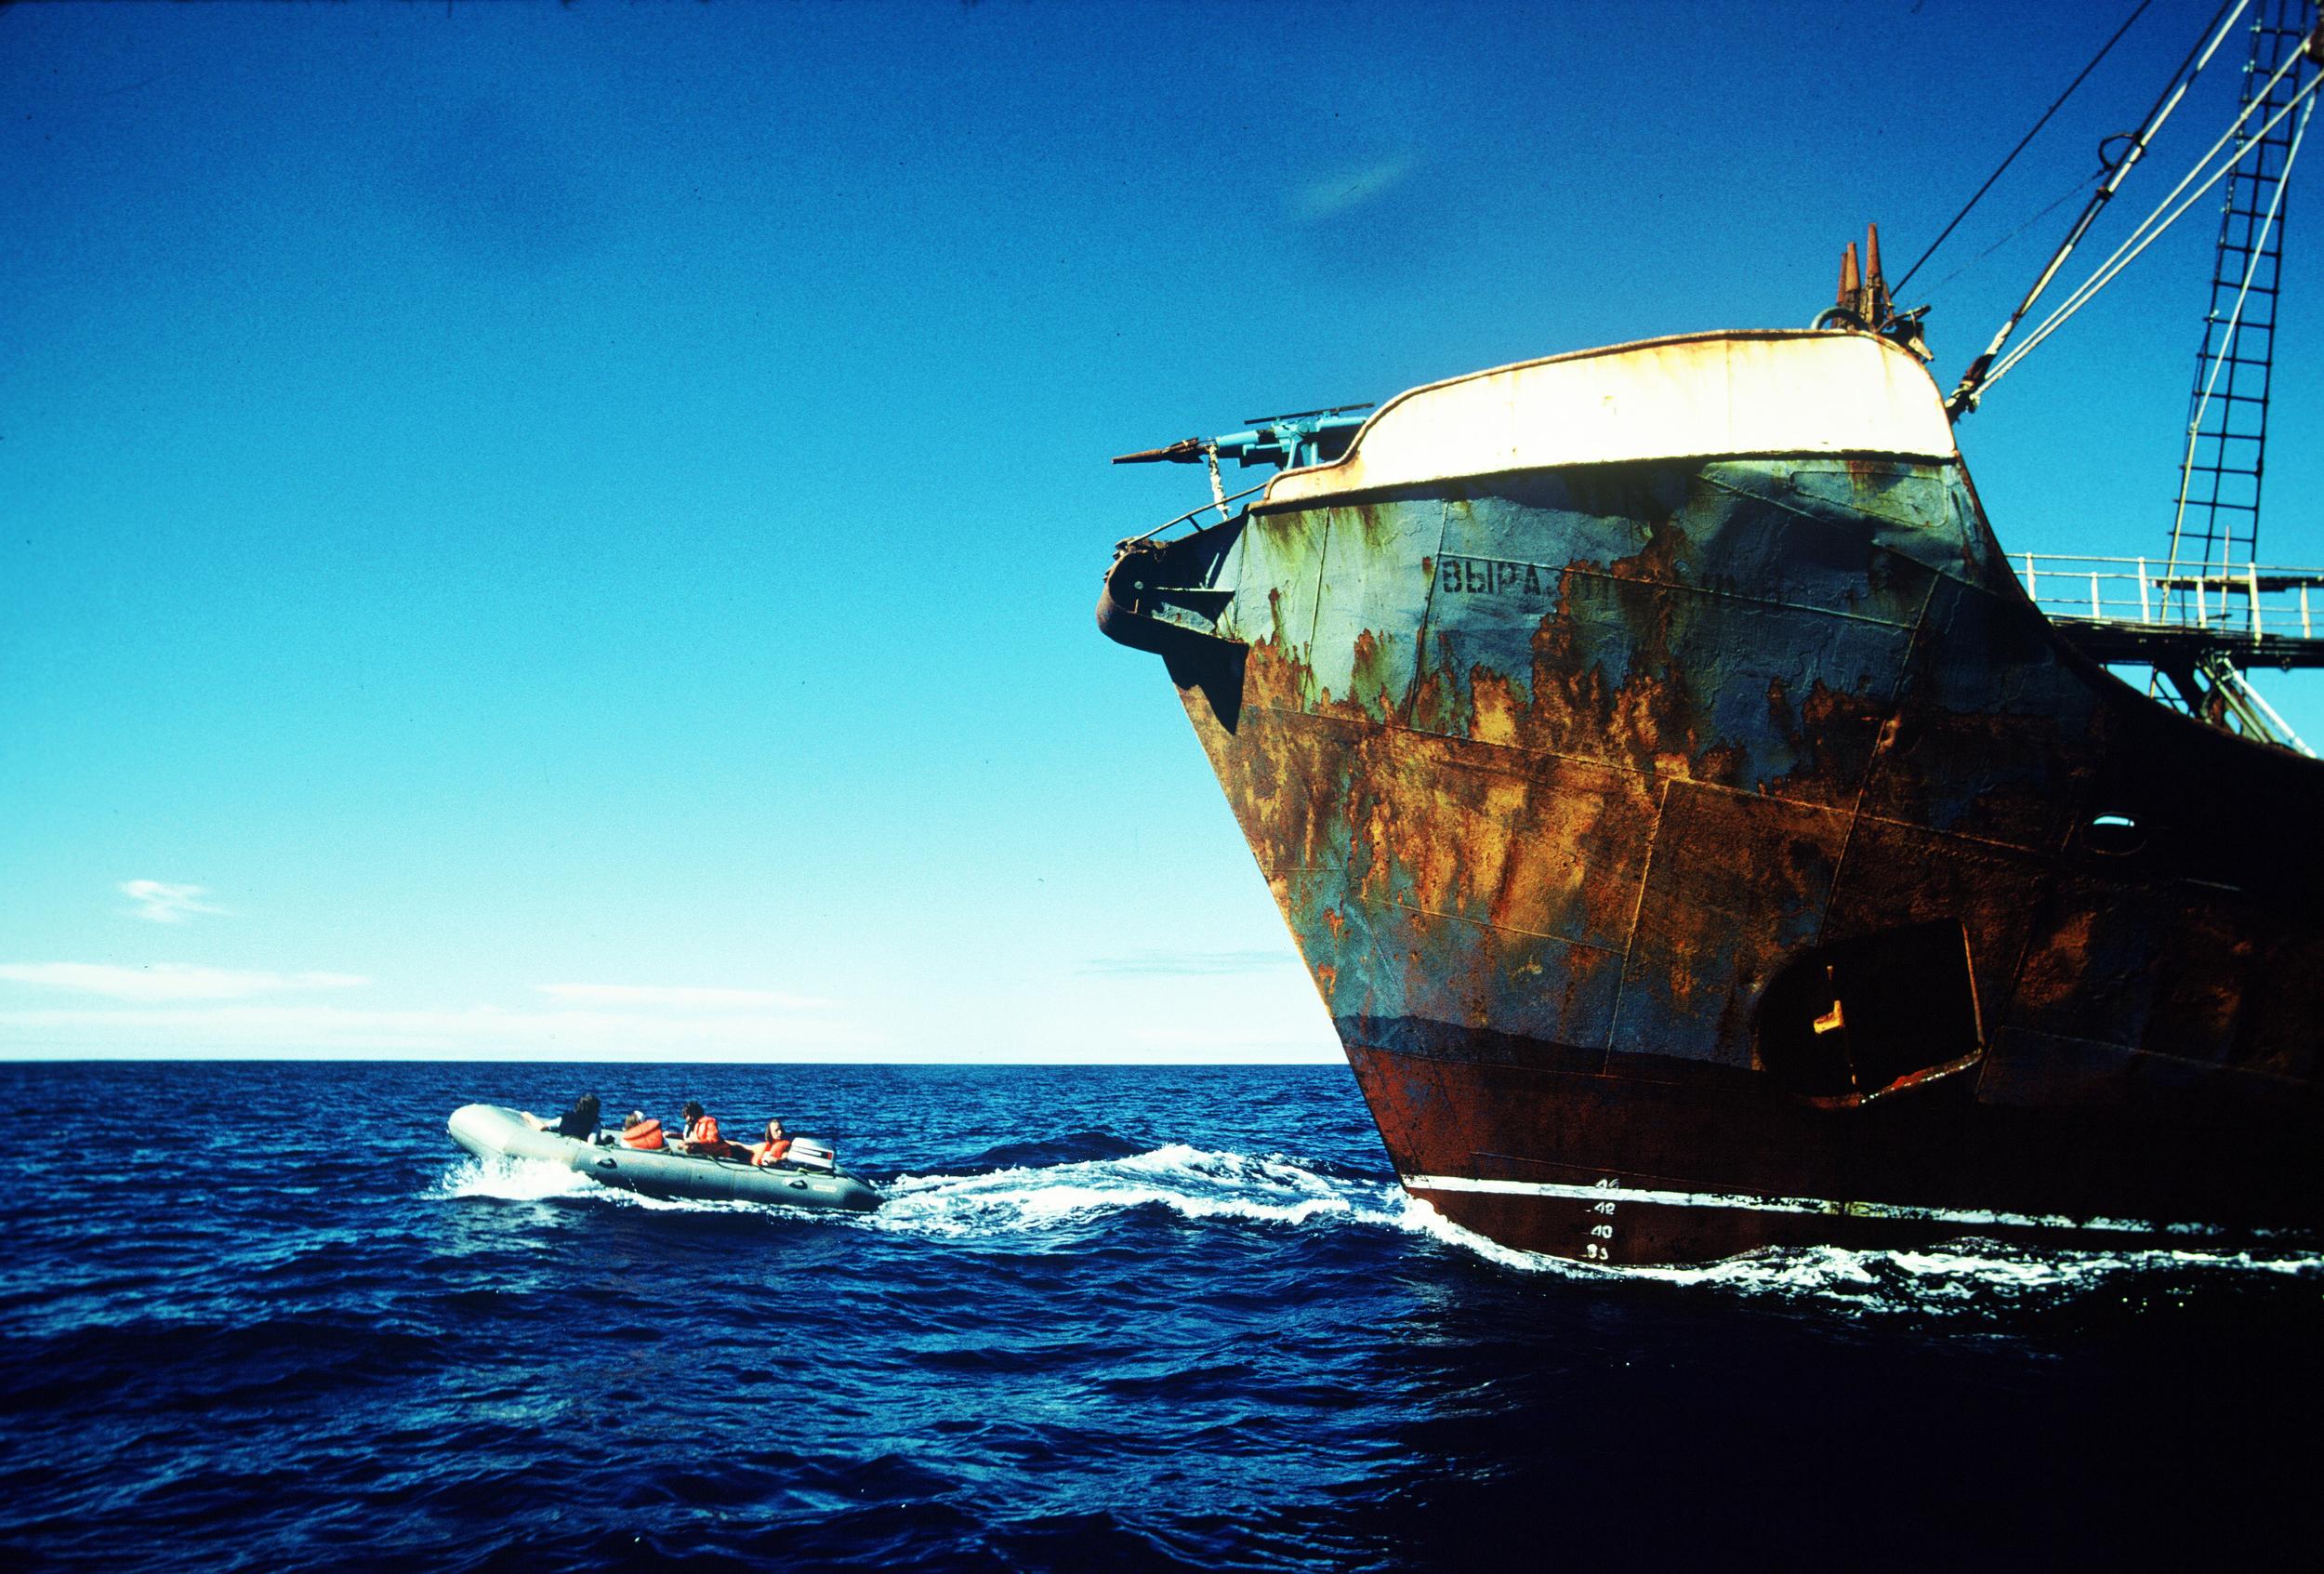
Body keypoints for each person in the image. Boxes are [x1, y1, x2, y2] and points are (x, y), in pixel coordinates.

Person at [523, 1093, 600, 1139]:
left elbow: (542, 1127)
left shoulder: (566, 1117)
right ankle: (528, 1116)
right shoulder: (594, 1124)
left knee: (544, 1126)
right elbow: (592, 1140)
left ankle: (528, 1116)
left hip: (564, 1133)